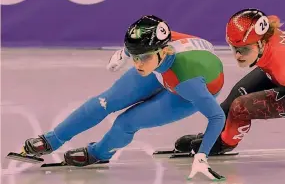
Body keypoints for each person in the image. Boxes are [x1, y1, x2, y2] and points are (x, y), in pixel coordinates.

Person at [19, 15, 226, 180]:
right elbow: (139, 45)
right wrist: (124, 54)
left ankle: (99, 153)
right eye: (135, 56)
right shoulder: (154, 47)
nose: (138, 63)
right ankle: (52, 139)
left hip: (185, 90)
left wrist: (201, 156)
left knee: (127, 122)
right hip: (164, 69)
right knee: (106, 101)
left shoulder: (188, 82)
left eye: (143, 57)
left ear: (165, 51)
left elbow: (217, 117)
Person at [175, 8, 285, 168]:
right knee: (230, 101)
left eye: (244, 49)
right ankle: (212, 136)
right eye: (233, 48)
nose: (237, 55)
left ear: (261, 43)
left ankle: (225, 144)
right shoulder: (265, 30)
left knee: (240, 107)